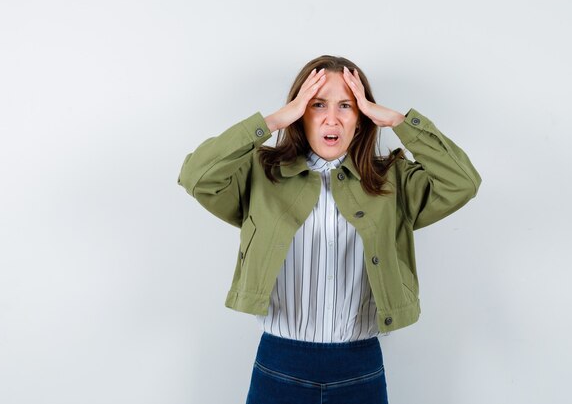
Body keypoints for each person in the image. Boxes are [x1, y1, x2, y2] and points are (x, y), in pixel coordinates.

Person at [177, 55, 482, 404]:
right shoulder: (262, 174)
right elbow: (196, 176)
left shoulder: (391, 180)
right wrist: (273, 120)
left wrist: (400, 122)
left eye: (346, 106)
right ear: (300, 111)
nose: (331, 118)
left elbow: (463, 182)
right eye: (317, 104)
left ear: (362, 118)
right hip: (280, 365)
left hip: (360, 368)